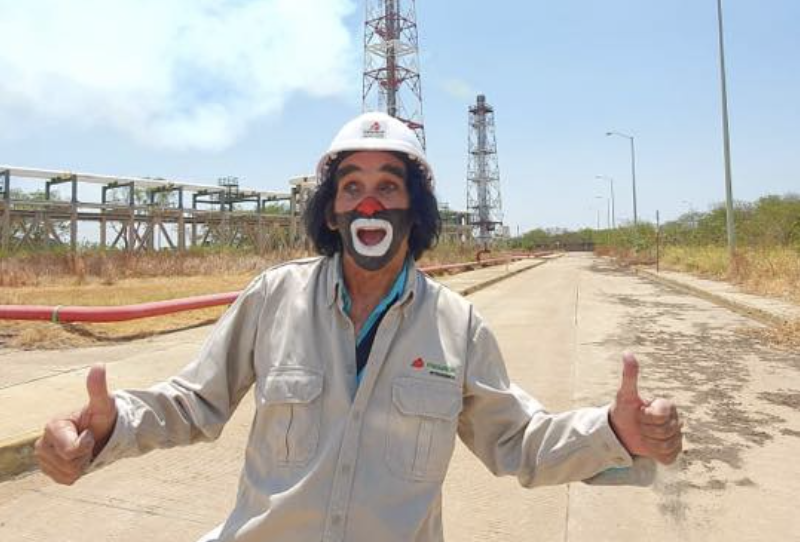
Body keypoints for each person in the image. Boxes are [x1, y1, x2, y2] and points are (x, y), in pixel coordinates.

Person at [34, 112, 682, 542]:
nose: (369, 202)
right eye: (351, 187)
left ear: (414, 208)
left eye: (388, 186)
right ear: (333, 211)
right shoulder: (273, 299)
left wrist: (612, 432)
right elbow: (192, 402)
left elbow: (518, 440)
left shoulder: (457, 327)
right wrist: (108, 427)